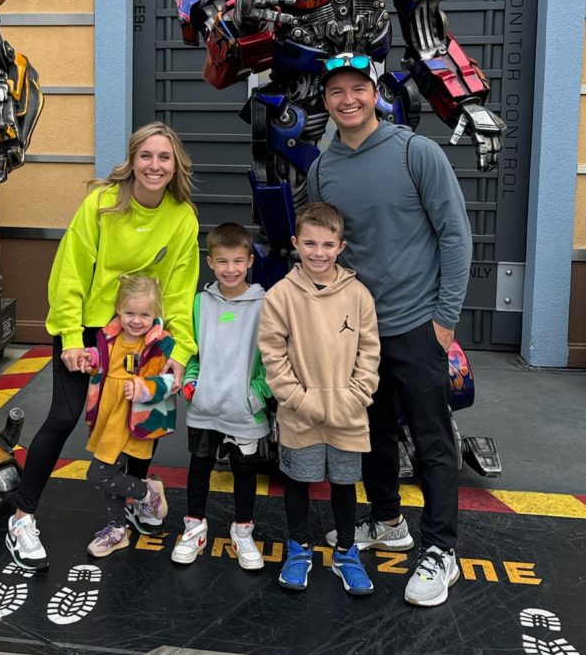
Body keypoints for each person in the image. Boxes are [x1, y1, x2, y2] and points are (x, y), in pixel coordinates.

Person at [308, 54, 473, 607]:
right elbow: (322, 250)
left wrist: (445, 320)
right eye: (336, 92)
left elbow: (455, 236)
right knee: (371, 435)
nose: (347, 99)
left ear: (375, 92)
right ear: (325, 100)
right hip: (358, 334)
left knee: (431, 440)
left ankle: (441, 549)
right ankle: (386, 521)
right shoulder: (322, 168)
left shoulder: (414, 152)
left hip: (418, 326)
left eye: (358, 88)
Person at [5, 122, 200, 570]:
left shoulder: (181, 218)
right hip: (92, 332)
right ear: (132, 160)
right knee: (63, 416)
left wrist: (179, 351)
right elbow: (69, 273)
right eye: (146, 156)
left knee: (138, 421)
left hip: (143, 334)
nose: (154, 165)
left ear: (175, 167)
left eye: (164, 157)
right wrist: (72, 338)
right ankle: (22, 516)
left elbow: (181, 290)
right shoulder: (102, 204)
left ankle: (132, 502)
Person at [259, 202, 380, 596]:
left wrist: (357, 394)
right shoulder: (280, 296)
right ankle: (299, 550)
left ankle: (346, 553)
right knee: (298, 481)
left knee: (344, 484)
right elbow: (272, 354)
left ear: (341, 246)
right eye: (309, 243)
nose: (318, 252)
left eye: (328, 244)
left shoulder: (359, 295)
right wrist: (296, 398)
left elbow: (369, 351)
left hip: (348, 413)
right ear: (295, 243)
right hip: (300, 413)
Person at [172, 223, 270, 570]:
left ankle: (243, 532)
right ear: (210, 262)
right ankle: (194, 527)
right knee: (199, 468)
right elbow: (193, 352)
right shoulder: (199, 303)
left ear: (249, 262)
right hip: (205, 408)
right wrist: (192, 386)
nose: (231, 269)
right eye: (223, 261)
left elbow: (274, 357)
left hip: (244, 412)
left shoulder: (265, 304)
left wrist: (256, 395)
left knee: (245, 474)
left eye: (238, 261)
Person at [82, 275, 175, 557]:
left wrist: (144, 387)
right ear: (119, 310)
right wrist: (91, 360)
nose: (136, 320)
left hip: (133, 418)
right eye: (130, 313)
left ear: (156, 313)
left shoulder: (161, 344)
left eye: (145, 314)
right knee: (110, 473)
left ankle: (146, 493)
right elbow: (104, 365)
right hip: (107, 414)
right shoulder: (109, 336)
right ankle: (117, 529)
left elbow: (172, 382)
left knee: (98, 474)